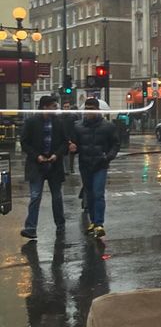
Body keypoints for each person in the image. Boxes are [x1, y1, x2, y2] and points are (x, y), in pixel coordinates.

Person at [70, 97, 120, 239]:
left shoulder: (108, 126)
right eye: (87, 109)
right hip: (85, 165)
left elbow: (115, 144)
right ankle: (93, 221)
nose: (88, 111)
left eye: (91, 109)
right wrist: (73, 148)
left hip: (100, 165)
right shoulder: (78, 126)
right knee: (89, 194)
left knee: (98, 193)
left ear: (98, 110)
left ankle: (99, 223)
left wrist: (107, 157)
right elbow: (76, 145)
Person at [19, 94, 68, 241]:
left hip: (54, 164)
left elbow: (65, 142)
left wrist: (56, 155)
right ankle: (31, 228)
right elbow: (24, 142)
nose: (56, 109)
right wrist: (37, 156)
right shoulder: (32, 122)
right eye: (54, 106)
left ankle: (60, 224)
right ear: (45, 107)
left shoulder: (58, 123)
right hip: (37, 164)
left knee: (57, 197)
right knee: (35, 196)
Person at [61, 100, 79, 173]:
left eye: (67, 107)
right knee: (64, 153)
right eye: (65, 107)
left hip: (72, 136)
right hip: (63, 137)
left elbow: (76, 127)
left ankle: (71, 168)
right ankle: (66, 169)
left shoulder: (74, 116)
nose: (66, 108)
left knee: (72, 154)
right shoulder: (60, 116)